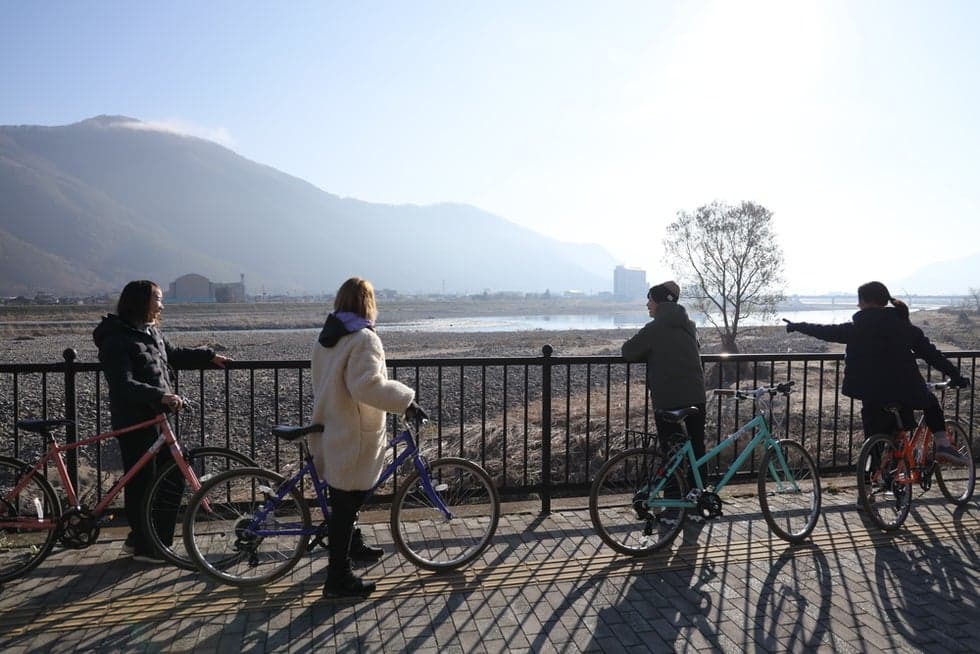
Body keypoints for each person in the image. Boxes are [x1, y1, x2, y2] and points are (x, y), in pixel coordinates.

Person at [93, 280, 230, 562]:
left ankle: (153, 541)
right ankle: (147, 546)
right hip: (136, 421)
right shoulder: (116, 338)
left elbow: (173, 355)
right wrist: (162, 395)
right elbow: (122, 385)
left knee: (170, 480)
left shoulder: (150, 332)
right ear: (140, 301)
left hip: (159, 419)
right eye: (157, 298)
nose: (161, 304)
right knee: (142, 485)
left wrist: (208, 356)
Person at [310, 276, 426, 598]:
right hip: (354, 433)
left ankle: (354, 546)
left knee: (344, 500)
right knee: (347, 505)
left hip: (333, 427)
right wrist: (406, 401)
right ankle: (338, 579)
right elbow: (366, 386)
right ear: (367, 303)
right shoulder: (363, 339)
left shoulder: (327, 338)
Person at [784, 281, 971, 466]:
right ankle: (943, 445)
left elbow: (825, 331)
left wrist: (798, 326)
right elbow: (932, 355)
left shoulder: (857, 328)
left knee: (874, 435)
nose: (858, 305)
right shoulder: (905, 327)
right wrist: (955, 376)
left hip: (870, 392)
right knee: (930, 402)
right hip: (906, 390)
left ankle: (871, 479)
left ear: (865, 302)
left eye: (859, 301)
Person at [622, 280, 707, 526]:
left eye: (650, 299)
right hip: (696, 396)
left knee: (671, 452)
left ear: (659, 302)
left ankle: (671, 507)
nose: (647, 304)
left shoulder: (655, 328)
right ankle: (697, 504)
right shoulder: (688, 325)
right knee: (696, 450)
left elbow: (628, 351)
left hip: (669, 400)